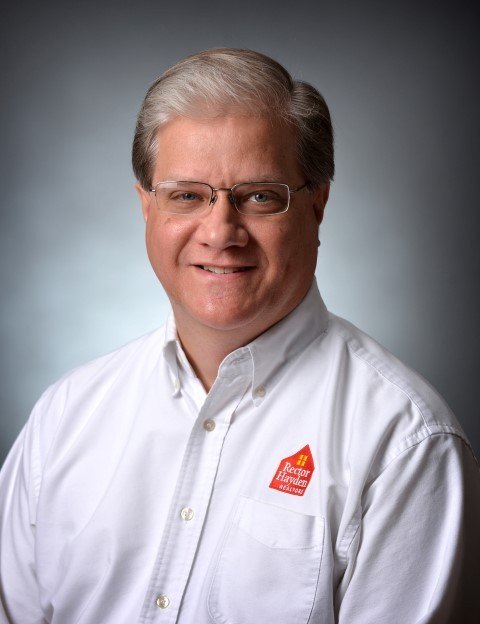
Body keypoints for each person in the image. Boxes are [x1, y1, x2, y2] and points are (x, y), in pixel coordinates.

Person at [0, 48, 479, 624]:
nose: (221, 232)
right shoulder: (64, 418)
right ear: (146, 206)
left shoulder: (405, 442)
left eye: (259, 196)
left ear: (318, 204)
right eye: (186, 195)